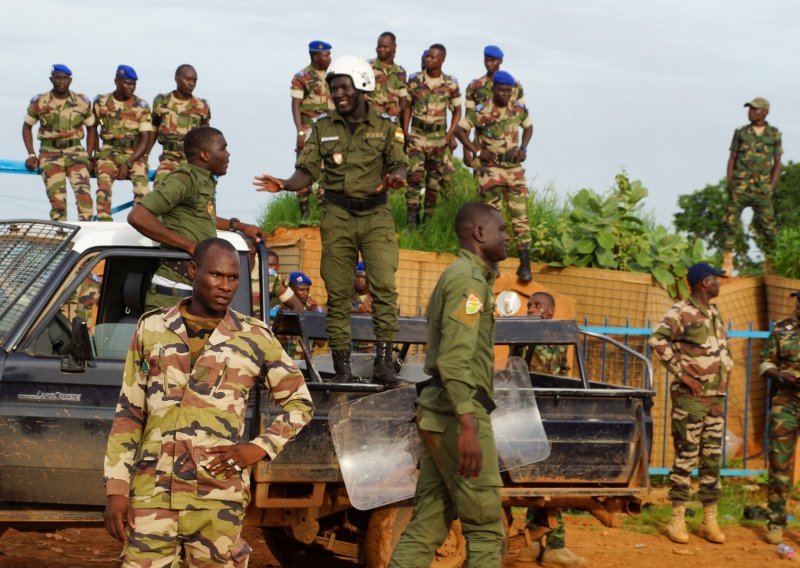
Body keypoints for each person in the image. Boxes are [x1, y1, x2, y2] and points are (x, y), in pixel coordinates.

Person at [103, 237, 313, 567]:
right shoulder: (152, 327)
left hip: (217, 498)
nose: (225, 286)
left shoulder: (254, 337)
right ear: (193, 270)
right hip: (152, 495)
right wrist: (116, 488)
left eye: (232, 278)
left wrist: (258, 448)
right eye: (216, 275)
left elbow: (300, 402)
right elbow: (129, 413)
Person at [254, 55, 407, 387]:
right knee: (338, 294)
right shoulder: (322, 127)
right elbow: (306, 171)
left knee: (383, 286)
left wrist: (396, 177)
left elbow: (400, 165)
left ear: (362, 86)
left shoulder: (385, 125)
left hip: (375, 215)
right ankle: (343, 367)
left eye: (343, 87)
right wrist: (284, 184)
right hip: (336, 214)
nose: (337, 94)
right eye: (334, 88)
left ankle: (384, 364)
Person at [390, 202, 509, 567]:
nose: (507, 237)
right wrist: (469, 424)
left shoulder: (462, 275)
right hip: (459, 413)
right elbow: (455, 359)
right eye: (501, 230)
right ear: (479, 233)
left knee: (429, 520)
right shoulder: (469, 281)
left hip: (439, 411)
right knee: (487, 527)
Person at [127, 126, 264, 310]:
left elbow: (203, 217)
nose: (228, 154)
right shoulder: (184, 179)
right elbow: (138, 216)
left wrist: (238, 226)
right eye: (223, 148)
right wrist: (190, 246)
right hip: (174, 290)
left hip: (193, 289)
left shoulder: (203, 181)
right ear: (205, 155)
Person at [649, 262, 733, 545]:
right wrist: (681, 374)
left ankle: (709, 519)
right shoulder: (680, 312)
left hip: (715, 399)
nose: (719, 283)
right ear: (702, 283)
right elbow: (657, 341)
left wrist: (724, 380)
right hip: (691, 399)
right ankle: (677, 518)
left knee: (711, 460)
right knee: (686, 458)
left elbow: (721, 350)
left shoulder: (714, 312)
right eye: (714, 279)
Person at [515, 292, 586, 568]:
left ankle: (534, 544)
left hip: (549, 413)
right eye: (530, 305)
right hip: (528, 413)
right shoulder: (522, 336)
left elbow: (563, 374)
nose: (532, 309)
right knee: (542, 481)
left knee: (544, 481)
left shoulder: (556, 339)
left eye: (538, 306)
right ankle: (552, 546)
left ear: (551, 311)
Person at [455, 70, 534, 282]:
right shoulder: (481, 111)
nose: (506, 94)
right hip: (491, 169)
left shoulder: (518, 108)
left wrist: (524, 148)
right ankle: (494, 263)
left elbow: (528, 126)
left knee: (520, 215)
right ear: (494, 89)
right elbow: (460, 131)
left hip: (513, 168)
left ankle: (525, 263)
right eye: (502, 90)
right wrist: (477, 151)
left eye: (509, 91)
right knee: (492, 216)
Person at [22, 64, 95, 221]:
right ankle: (62, 236)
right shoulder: (40, 102)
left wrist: (89, 155)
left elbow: (92, 129)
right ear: (51, 79)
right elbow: (27, 127)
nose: (61, 81)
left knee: (84, 199)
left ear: (70, 80)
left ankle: (88, 234)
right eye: (58, 78)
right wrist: (31, 154)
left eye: (65, 78)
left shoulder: (81, 102)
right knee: (57, 201)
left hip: (76, 153)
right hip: (50, 154)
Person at [721, 97, 782, 274]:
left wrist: (771, 185)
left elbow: (777, 162)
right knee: (730, 222)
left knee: (768, 227)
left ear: (764, 112)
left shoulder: (774, 133)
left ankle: (771, 262)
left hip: (761, 188)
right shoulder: (740, 132)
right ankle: (727, 261)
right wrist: (730, 182)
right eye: (749, 109)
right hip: (740, 185)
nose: (750, 112)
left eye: (754, 109)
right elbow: (732, 158)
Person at [403, 44, 462, 229]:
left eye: (433, 57)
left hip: (438, 139)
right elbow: (407, 107)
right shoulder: (414, 80)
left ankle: (427, 223)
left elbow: (458, 111)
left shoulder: (451, 83)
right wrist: (405, 132)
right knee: (413, 178)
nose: (429, 59)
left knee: (433, 182)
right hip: (417, 136)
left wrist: (448, 135)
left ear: (442, 60)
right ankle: (412, 222)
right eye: (427, 56)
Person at [759, 290, 800, 545]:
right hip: (785, 403)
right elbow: (764, 363)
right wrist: (781, 376)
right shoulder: (782, 330)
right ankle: (776, 522)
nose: (799, 306)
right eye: (798, 301)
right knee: (779, 464)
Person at [90, 65, 153, 220]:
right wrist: (93, 154)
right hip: (108, 152)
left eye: (134, 84)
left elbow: (145, 140)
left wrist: (128, 163)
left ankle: (139, 222)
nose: (131, 87)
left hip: (135, 154)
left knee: (143, 191)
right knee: (103, 186)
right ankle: (104, 224)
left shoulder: (141, 106)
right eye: (127, 83)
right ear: (116, 81)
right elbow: (92, 129)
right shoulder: (101, 102)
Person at [148, 64, 212, 187]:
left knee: (198, 194)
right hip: (169, 158)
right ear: (177, 78)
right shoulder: (162, 101)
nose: (191, 83)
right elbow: (153, 130)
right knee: (160, 190)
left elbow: (207, 138)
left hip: (193, 160)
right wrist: (144, 158)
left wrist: (207, 164)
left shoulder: (201, 106)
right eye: (188, 79)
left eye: (194, 80)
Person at [291, 40, 335, 220]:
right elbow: (296, 104)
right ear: (315, 56)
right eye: (326, 55)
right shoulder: (302, 76)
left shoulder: (334, 74)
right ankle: (305, 215)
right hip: (310, 129)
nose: (329, 58)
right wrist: (300, 131)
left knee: (328, 171)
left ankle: (324, 214)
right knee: (305, 168)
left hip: (331, 130)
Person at [463, 45, 525, 167]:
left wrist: (522, 149)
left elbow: (521, 116)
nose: (489, 63)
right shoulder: (475, 87)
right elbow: (467, 121)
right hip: (484, 148)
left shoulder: (515, 86)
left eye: (493, 60)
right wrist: (467, 151)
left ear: (500, 61)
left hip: (509, 149)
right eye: (486, 60)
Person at [366, 31, 408, 118]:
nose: (381, 49)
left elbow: (403, 98)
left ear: (394, 47)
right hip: (370, 118)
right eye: (379, 46)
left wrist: (399, 109)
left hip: (391, 120)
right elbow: (358, 95)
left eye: (385, 47)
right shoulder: (367, 66)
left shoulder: (400, 72)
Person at [351, 261, 374, 353]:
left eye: (363, 277)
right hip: (348, 345)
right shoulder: (346, 296)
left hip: (368, 348)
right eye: (357, 276)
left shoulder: (376, 298)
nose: (360, 280)